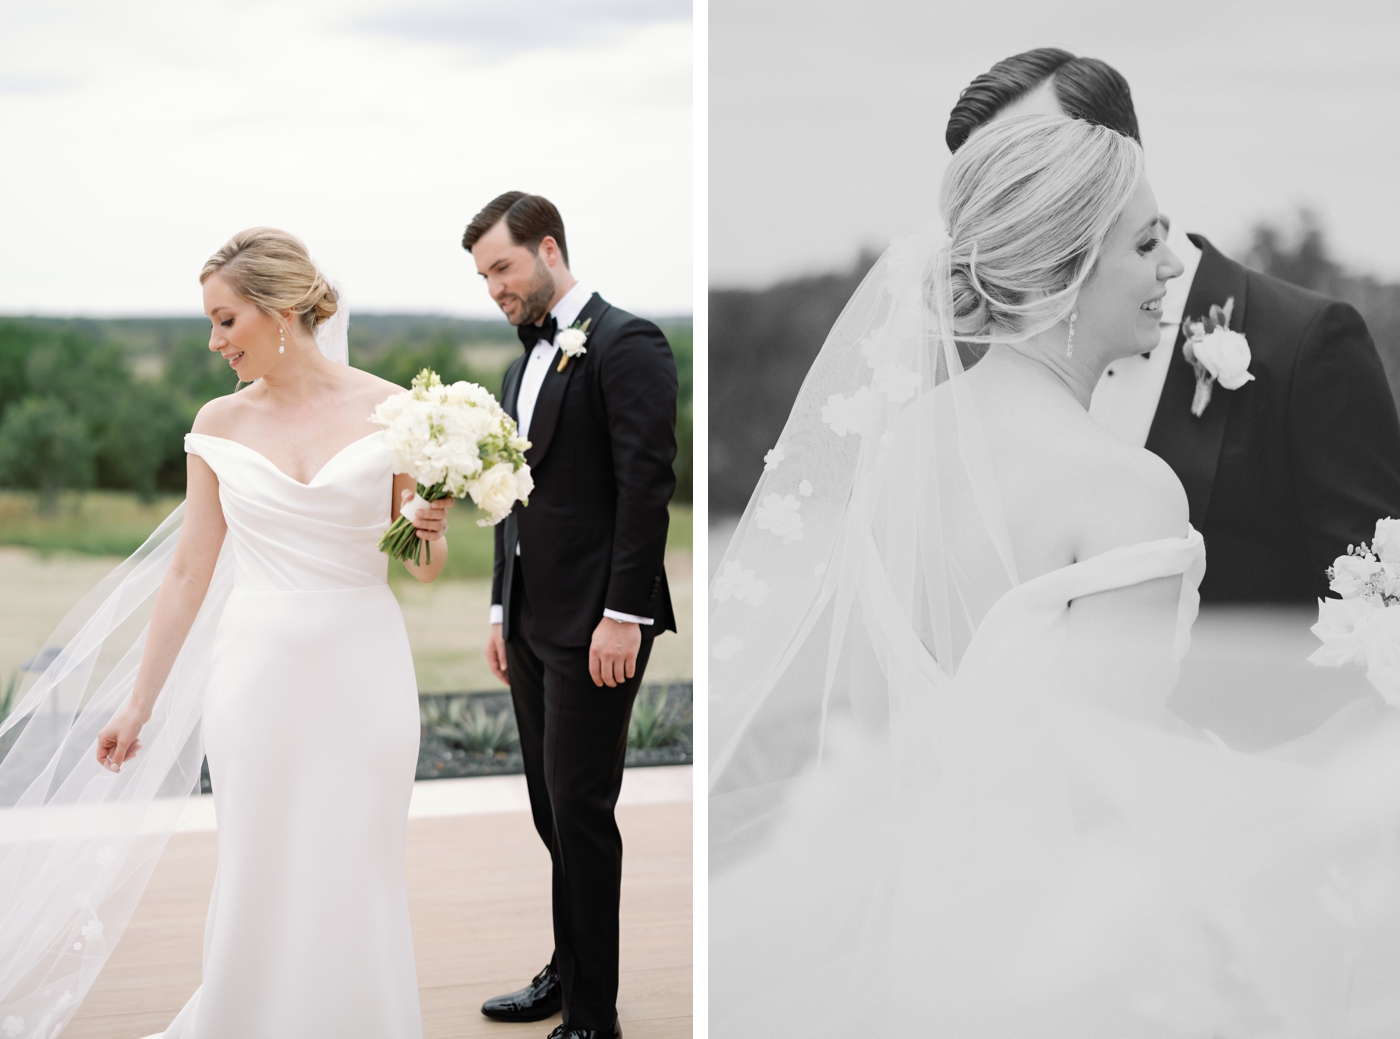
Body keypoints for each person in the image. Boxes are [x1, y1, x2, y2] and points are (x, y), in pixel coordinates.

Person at [709, 115, 1400, 1036]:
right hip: (1055, 945)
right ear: (1071, 270)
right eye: (1148, 243)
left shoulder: (902, 449)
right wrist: (1316, 781)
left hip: (922, 916)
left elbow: (882, 727)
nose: (1172, 268)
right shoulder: (1128, 492)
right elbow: (1110, 788)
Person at [0, 229, 452, 1037]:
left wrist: (428, 521)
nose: (214, 342)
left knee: (359, 862)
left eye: (225, 320)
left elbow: (421, 566)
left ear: (280, 312)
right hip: (258, 677)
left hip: (365, 672)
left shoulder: (395, 412)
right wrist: (138, 704)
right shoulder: (217, 421)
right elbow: (186, 573)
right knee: (259, 866)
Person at [945, 47, 1400, 603]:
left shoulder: (1308, 342)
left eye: (1032, 163)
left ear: (1112, 153)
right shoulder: (983, 362)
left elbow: (1379, 607)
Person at [462, 193, 678, 1039]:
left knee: (582, 810)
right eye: (483, 276)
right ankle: (565, 968)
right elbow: (509, 498)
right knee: (551, 807)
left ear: (549, 248)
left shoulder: (628, 343)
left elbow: (645, 488)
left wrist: (623, 614)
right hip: (530, 624)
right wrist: (497, 607)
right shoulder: (521, 365)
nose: (495, 289)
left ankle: (594, 1017)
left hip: (600, 626)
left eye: (504, 268)